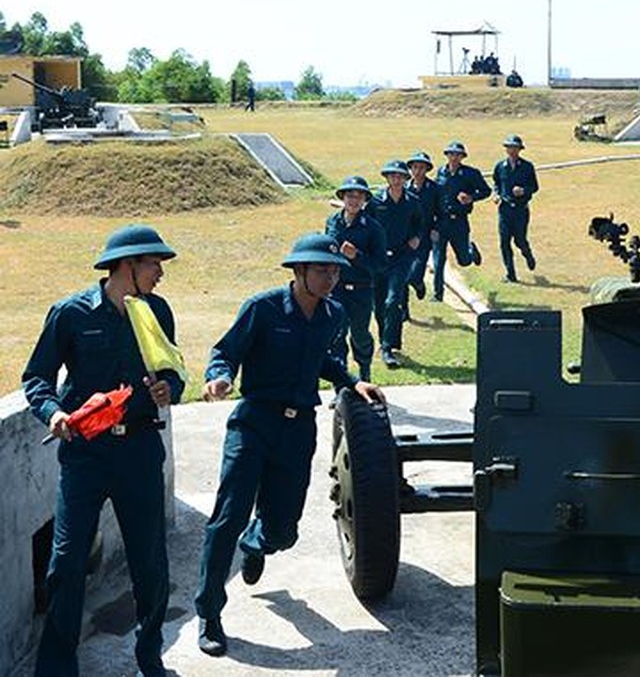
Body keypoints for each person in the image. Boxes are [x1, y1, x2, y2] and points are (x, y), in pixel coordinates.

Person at [195, 233, 385, 657]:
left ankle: (257, 542)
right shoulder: (262, 309)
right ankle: (209, 612)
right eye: (322, 270)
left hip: (299, 430)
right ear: (298, 272)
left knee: (285, 530)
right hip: (254, 423)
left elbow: (322, 360)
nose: (331, 278)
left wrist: (353, 381)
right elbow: (225, 351)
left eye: (335, 270)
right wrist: (219, 376)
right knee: (227, 517)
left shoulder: (332, 313)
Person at [23, 224, 185, 677]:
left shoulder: (155, 311)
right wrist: (53, 412)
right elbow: (36, 377)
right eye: (153, 264)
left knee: (149, 562)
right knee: (67, 562)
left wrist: (168, 389)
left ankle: (150, 656)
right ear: (126, 266)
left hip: (139, 452)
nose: (160, 273)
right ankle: (56, 669)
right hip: (85, 454)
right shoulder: (71, 313)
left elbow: (173, 368)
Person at [325, 175, 387, 381]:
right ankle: (340, 383)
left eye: (359, 197)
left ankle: (365, 375)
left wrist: (357, 256)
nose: (353, 201)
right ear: (343, 197)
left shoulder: (373, 227)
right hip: (336, 289)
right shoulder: (332, 222)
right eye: (350, 196)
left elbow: (380, 265)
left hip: (361, 289)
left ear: (364, 201)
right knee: (336, 336)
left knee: (360, 335)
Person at [368, 160, 422, 368]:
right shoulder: (375, 201)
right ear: (387, 178)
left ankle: (388, 347)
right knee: (379, 304)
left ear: (405, 179)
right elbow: (367, 224)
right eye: (392, 176)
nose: (396, 179)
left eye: (400, 176)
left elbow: (419, 222)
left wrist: (416, 237)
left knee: (393, 300)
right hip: (379, 258)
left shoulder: (412, 201)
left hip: (401, 258)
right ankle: (387, 340)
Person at [431, 140, 490, 302]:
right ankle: (438, 295)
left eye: (457, 155)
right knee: (438, 260)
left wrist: (471, 198)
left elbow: (486, 191)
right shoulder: (441, 172)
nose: (454, 157)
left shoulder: (471, 174)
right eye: (451, 154)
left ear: (462, 157)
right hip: (441, 222)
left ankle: (471, 251)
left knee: (464, 261)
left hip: (459, 222)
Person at [492, 133, 539, 282]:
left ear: (520, 150)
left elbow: (535, 187)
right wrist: (496, 195)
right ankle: (510, 274)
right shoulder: (500, 166)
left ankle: (528, 254)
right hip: (504, 209)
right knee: (504, 242)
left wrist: (524, 190)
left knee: (519, 240)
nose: (512, 151)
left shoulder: (527, 167)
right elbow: (496, 183)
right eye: (509, 148)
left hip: (520, 210)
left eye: (515, 148)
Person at [405, 150, 440, 305]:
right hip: (404, 237)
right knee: (402, 276)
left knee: (415, 274)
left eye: (422, 168)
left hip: (424, 237)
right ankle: (403, 312)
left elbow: (441, 213)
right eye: (415, 167)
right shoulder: (404, 188)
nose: (418, 171)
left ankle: (419, 284)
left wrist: (436, 229)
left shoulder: (434, 189)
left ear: (427, 170)